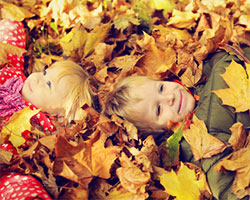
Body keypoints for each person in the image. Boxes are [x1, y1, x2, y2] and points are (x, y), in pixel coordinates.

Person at [103, 47, 250, 200]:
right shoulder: (190, 146)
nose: (169, 98)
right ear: (156, 132)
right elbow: (226, 184)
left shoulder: (197, 83)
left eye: (161, 88)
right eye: (159, 109)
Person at [0, 19, 95, 200]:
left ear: (59, 115)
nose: (37, 78)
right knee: (9, 35)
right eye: (45, 72)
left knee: (18, 183)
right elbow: (9, 46)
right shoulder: (14, 73)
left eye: (49, 84)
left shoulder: (39, 127)